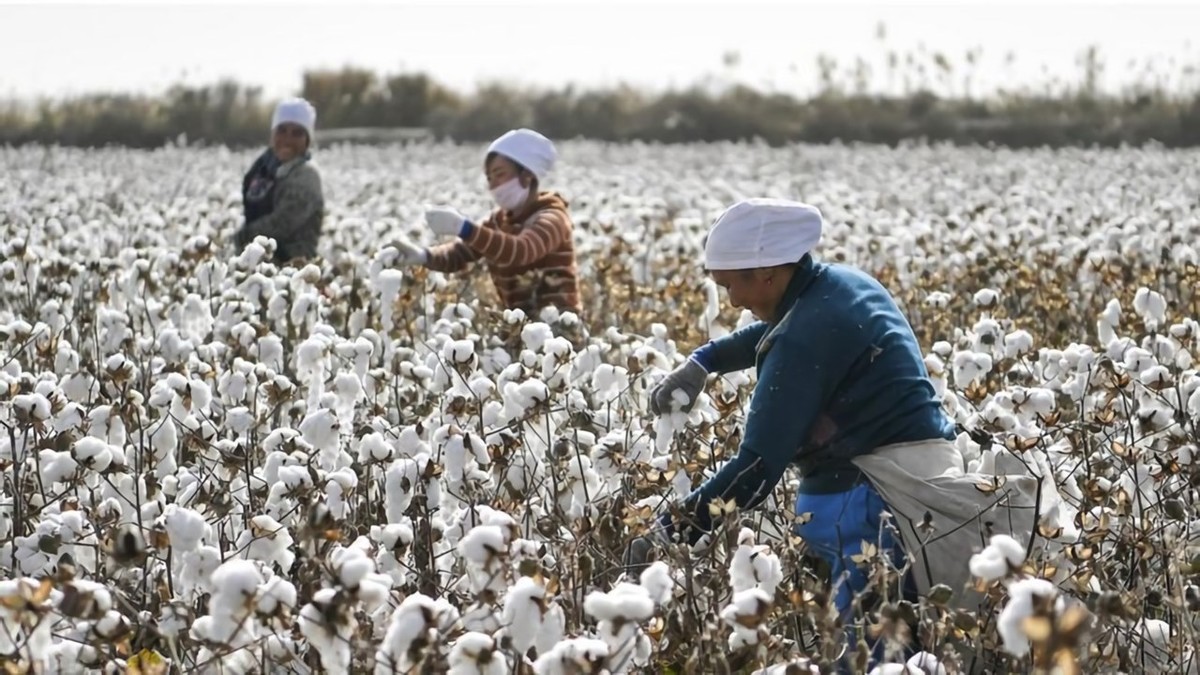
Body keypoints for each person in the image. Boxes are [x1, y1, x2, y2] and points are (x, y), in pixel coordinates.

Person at [631, 198, 1040, 670]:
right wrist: (705, 360)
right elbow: (775, 327)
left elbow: (757, 468)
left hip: (874, 503)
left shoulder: (803, 338)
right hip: (904, 485)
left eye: (732, 286)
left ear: (766, 271)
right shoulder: (840, 285)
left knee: (875, 657)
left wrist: (672, 530)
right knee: (889, 648)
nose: (734, 302)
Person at [387, 128, 581, 316]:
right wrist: (424, 256)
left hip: (560, 331)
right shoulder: (499, 221)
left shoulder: (553, 217)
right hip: (519, 328)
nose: (493, 184)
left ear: (527, 176)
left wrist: (464, 228)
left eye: (500, 174)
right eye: (489, 178)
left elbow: (522, 250)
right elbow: (461, 253)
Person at [234, 97, 325, 265]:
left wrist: (242, 237)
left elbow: (283, 223)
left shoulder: (307, 175)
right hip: (258, 261)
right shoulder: (262, 169)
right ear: (272, 134)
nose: (288, 139)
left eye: (297, 133)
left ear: (307, 140)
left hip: (294, 269)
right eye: (282, 130)